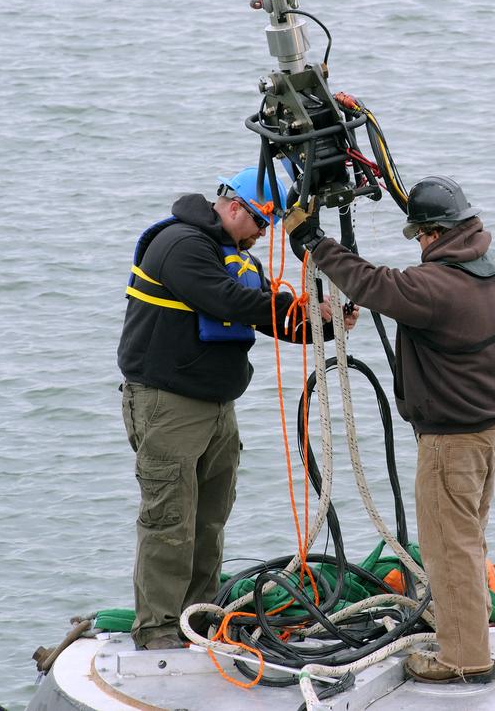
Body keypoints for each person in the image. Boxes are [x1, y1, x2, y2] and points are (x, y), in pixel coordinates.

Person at [284, 175, 495, 684]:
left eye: (419, 236)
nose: (417, 245)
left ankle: (463, 659)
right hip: (490, 431)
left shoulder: (437, 286)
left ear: (434, 233)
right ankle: (465, 632)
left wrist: (313, 243)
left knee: (447, 546)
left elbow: (375, 285)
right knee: (467, 539)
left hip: (453, 441)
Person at [117, 166, 357, 650]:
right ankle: (159, 630)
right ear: (233, 208)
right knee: (169, 521)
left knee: (208, 519)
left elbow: (264, 309)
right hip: (168, 404)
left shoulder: (232, 254)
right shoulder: (180, 245)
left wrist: (323, 324)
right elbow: (227, 299)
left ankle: (198, 618)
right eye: (261, 223)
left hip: (216, 407)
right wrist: (300, 306)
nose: (263, 234)